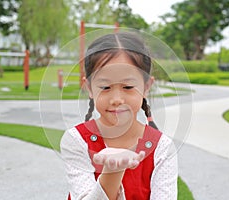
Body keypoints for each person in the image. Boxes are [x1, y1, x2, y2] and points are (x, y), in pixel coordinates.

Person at [60, 32, 178, 200]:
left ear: (146, 87)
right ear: (89, 88)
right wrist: (112, 171)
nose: (117, 99)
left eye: (128, 87)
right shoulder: (76, 140)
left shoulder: (162, 148)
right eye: (105, 87)